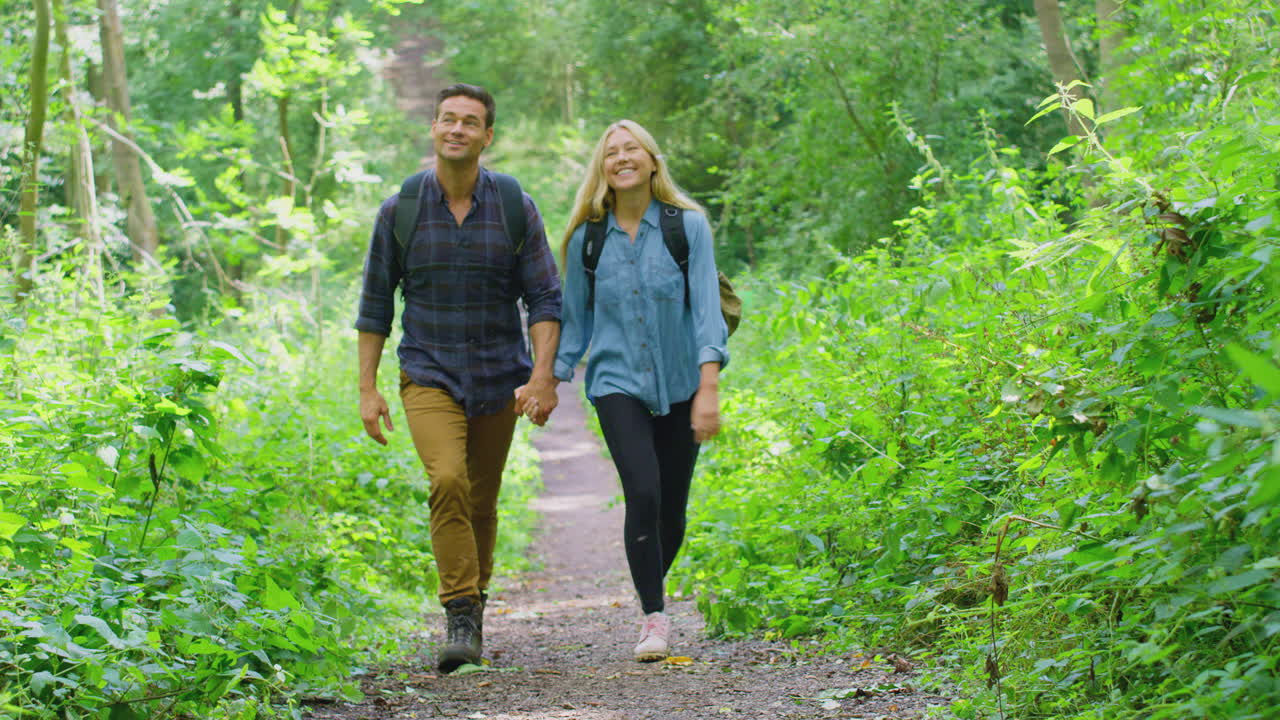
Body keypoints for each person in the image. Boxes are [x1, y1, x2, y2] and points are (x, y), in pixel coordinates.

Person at [355, 83, 561, 673]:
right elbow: (375, 307)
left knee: (482, 498)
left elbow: (545, 298)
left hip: (500, 376)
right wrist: (367, 389)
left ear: (487, 136)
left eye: (471, 122)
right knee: (447, 478)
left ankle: (474, 603)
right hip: (429, 372)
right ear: (434, 128)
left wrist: (542, 377)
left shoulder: (516, 206)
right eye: (448, 119)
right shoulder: (401, 209)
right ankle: (461, 612)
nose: (457, 129)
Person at [519, 119, 728, 662]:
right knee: (644, 490)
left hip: (683, 381)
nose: (621, 158)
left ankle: (645, 578)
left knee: (673, 511)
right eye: (611, 152)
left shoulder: (689, 228)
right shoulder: (588, 239)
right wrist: (548, 383)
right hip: (616, 383)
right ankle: (654, 618)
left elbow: (708, 312)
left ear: (652, 161)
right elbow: (577, 322)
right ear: (602, 169)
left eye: (631, 148)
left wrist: (709, 389)